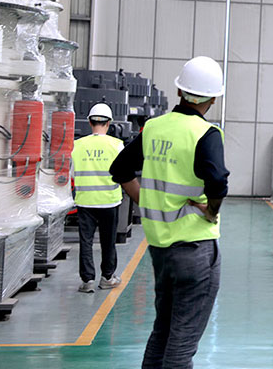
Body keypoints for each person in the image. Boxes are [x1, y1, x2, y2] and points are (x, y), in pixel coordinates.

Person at [110, 56, 229, 369]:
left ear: (179, 91)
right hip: (195, 249)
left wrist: (147, 202)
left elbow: (120, 169)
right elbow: (217, 182)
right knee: (182, 344)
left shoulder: (154, 129)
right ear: (214, 98)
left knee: (162, 332)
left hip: (161, 250)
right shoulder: (206, 133)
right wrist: (211, 211)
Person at [71, 103, 124, 293]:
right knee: (108, 240)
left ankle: (87, 281)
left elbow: (72, 173)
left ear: (89, 122)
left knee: (86, 241)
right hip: (109, 200)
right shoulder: (117, 145)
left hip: (85, 201)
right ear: (109, 123)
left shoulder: (77, 145)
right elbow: (123, 173)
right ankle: (107, 277)